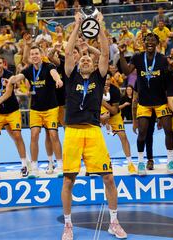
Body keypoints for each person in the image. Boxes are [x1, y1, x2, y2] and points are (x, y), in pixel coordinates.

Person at [61, 12, 127, 240]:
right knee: (69, 179)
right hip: (72, 132)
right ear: (77, 65)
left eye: (88, 58)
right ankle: (68, 226)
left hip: (93, 131)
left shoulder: (99, 78)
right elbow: (69, 52)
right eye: (82, 59)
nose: (85, 59)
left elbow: (106, 53)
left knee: (108, 177)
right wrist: (77, 26)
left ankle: (114, 222)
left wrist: (99, 26)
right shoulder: (71, 77)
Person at [120, 32, 173, 175]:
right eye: (147, 40)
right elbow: (126, 71)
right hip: (144, 102)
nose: (150, 42)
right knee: (142, 133)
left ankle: (170, 161)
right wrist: (121, 54)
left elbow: (169, 79)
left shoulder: (162, 59)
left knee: (169, 130)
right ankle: (140, 163)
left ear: (157, 43)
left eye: (153, 40)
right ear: (143, 43)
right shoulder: (138, 57)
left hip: (161, 102)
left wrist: (170, 68)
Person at [9, 46, 63, 179]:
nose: (34, 56)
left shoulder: (49, 66)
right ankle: (34, 168)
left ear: (41, 54)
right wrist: (10, 80)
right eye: (32, 54)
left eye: (36, 53)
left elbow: (54, 74)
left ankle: (60, 165)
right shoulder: (28, 70)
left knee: (53, 135)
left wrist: (58, 80)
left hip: (51, 108)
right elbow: (18, 77)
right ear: (30, 57)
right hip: (35, 109)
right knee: (34, 135)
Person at [102, 78, 137, 175]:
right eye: (104, 79)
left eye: (108, 79)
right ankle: (91, 167)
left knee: (123, 136)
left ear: (110, 80)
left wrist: (102, 102)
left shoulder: (115, 90)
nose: (105, 81)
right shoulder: (95, 88)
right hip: (99, 112)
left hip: (115, 114)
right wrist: (101, 118)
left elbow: (113, 110)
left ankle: (130, 164)